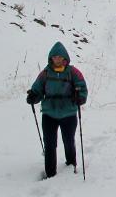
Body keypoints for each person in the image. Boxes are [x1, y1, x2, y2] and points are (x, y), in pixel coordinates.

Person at [26, 42, 88, 179]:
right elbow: (37, 89)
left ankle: (71, 166)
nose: (57, 60)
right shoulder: (45, 73)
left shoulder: (73, 72)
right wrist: (33, 97)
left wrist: (80, 98)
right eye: (55, 57)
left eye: (60, 57)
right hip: (49, 113)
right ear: (51, 58)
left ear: (65, 58)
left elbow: (82, 88)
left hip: (69, 113)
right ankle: (50, 173)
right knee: (49, 144)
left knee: (68, 141)